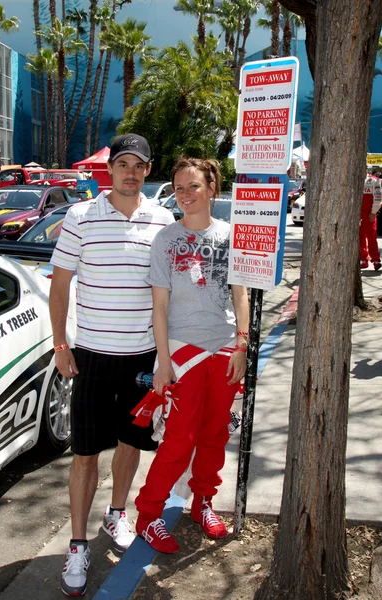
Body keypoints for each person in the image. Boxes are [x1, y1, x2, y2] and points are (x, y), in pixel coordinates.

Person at [49, 133, 174, 597]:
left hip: (143, 359)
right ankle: (78, 543)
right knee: (84, 454)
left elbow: (169, 292)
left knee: (131, 443)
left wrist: (166, 357)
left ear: (146, 170)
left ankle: (117, 514)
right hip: (91, 358)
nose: (130, 172)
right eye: (122, 163)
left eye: (138, 165)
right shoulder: (80, 217)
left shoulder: (163, 219)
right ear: (110, 169)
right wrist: (61, 345)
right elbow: (60, 286)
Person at [135, 157, 249, 554]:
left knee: (215, 435)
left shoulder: (232, 235)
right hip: (184, 351)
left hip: (224, 349)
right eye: (179, 188)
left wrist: (242, 343)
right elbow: (159, 308)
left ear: (211, 188)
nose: (185, 195)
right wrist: (164, 362)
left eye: (193, 187)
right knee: (179, 440)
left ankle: (202, 502)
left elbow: (240, 294)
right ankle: (148, 516)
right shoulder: (166, 239)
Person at [360, 171, 382, 270]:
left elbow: (378, 197)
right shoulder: (353, 180)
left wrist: (374, 212)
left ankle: (376, 260)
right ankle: (363, 259)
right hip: (357, 214)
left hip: (369, 213)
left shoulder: (373, 181)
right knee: (359, 238)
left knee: (371, 237)